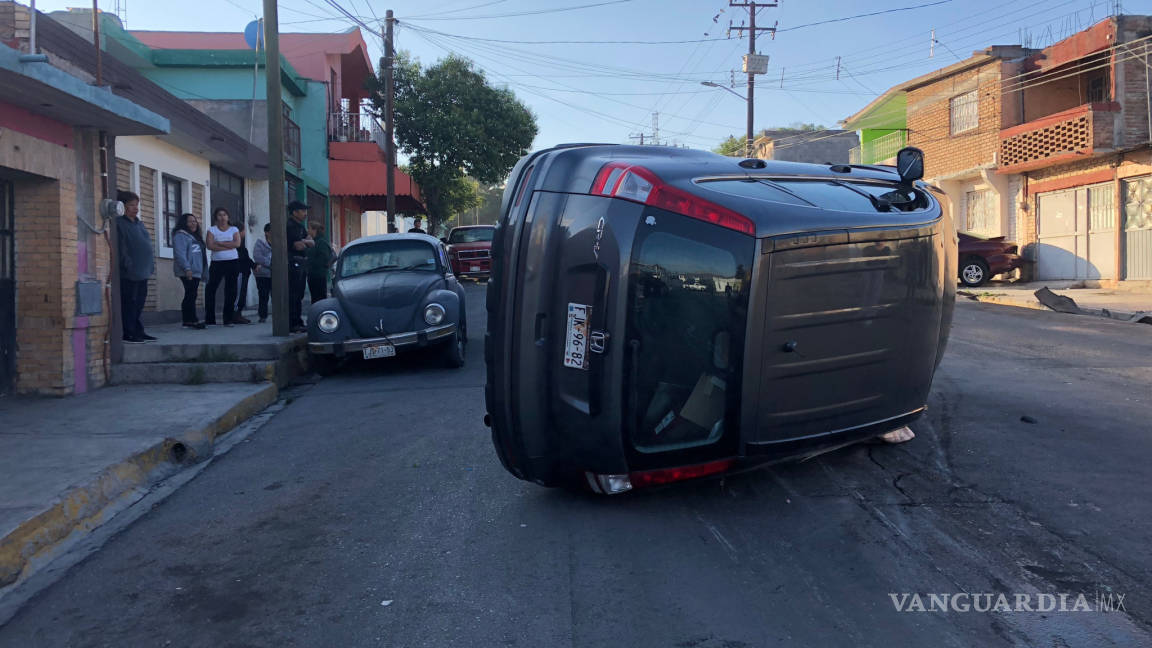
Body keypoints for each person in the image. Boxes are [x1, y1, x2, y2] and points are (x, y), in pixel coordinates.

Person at [116, 190, 155, 343]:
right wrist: (128, 266)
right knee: (129, 303)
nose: (135, 208)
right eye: (131, 205)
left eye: (136, 205)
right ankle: (128, 332)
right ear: (122, 206)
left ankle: (138, 330)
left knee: (139, 303)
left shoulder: (139, 223)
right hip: (129, 273)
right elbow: (122, 248)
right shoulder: (119, 224)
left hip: (143, 271)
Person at [204, 207, 248, 326]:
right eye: (219, 215)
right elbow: (210, 246)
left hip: (232, 262)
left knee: (231, 291)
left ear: (228, 217)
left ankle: (228, 319)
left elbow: (237, 244)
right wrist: (229, 245)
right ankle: (210, 319)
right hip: (216, 263)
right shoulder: (212, 230)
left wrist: (220, 243)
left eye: (224, 215)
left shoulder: (234, 229)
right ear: (216, 217)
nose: (222, 217)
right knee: (210, 289)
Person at [172, 212, 206, 329]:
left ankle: (190, 320)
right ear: (184, 223)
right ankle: (190, 320)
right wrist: (187, 268)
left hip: (196, 270)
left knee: (192, 294)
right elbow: (180, 253)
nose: (193, 223)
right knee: (190, 294)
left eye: (194, 221)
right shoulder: (180, 235)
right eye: (190, 221)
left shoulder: (195, 236)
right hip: (188, 270)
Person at [286, 200, 314, 333]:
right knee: (294, 294)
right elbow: (297, 245)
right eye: (302, 210)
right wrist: (304, 242)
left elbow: (311, 242)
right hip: (293, 263)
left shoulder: (300, 226)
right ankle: (293, 322)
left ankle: (298, 321)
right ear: (294, 212)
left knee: (300, 294)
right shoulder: (290, 225)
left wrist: (304, 241)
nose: (305, 213)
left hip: (302, 262)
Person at [306, 221, 333, 303]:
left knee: (319, 299)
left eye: (309, 228)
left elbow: (323, 259)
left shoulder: (321, 242)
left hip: (318, 275)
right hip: (313, 275)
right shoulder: (315, 241)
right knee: (315, 298)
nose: (308, 230)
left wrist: (309, 261)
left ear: (314, 230)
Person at [234, 221, 254, 320]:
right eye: (243, 230)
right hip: (240, 272)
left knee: (242, 293)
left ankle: (238, 314)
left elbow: (247, 258)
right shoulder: (236, 245)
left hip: (244, 272)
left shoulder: (240, 245)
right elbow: (244, 258)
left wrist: (254, 265)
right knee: (239, 294)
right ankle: (236, 314)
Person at [253, 222, 273, 323]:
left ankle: (279, 315)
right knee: (263, 294)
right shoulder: (260, 243)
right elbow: (258, 257)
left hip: (276, 274)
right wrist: (271, 264)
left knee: (276, 295)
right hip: (262, 274)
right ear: (267, 233)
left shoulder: (279, 242)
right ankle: (263, 315)